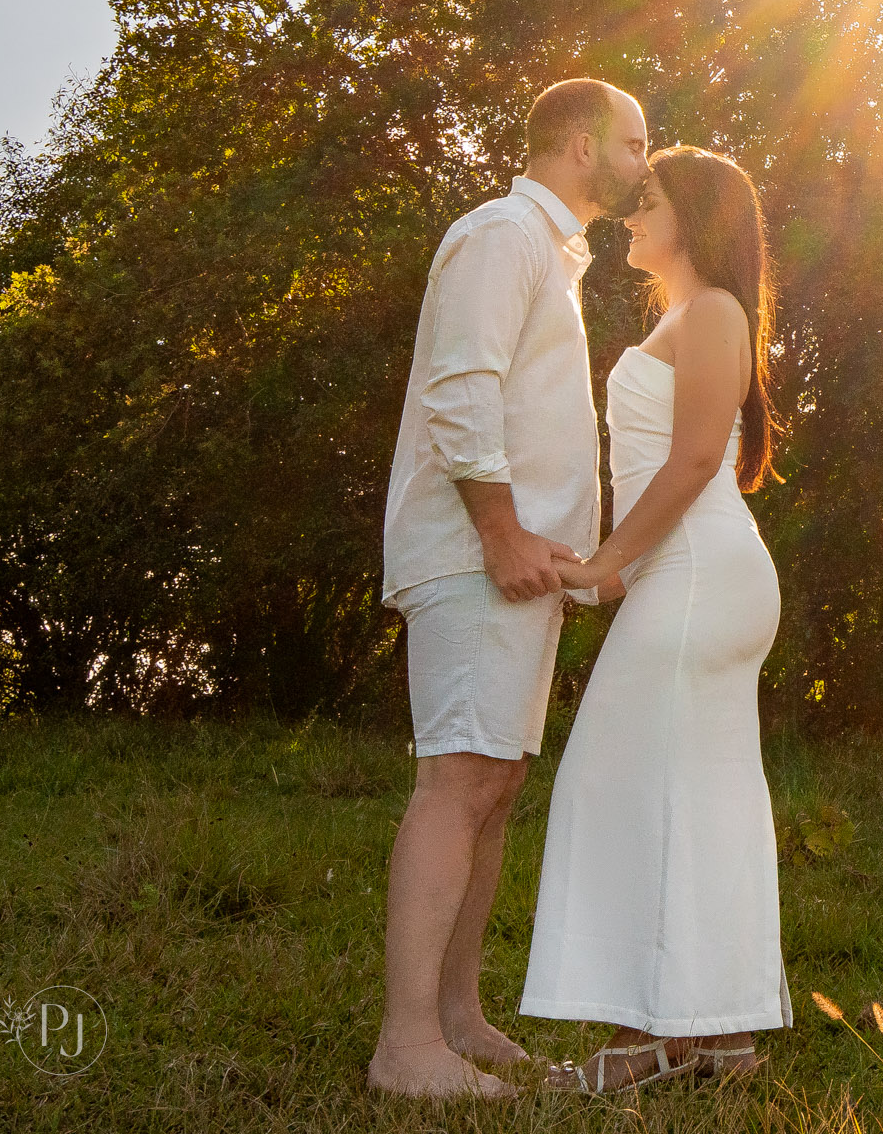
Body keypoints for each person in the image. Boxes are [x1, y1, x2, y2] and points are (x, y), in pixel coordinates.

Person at [370, 78, 649, 1100]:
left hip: (518, 564)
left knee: (492, 788)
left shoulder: (552, 254)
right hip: (476, 554)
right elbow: (460, 385)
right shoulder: (501, 233)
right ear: (579, 145)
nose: (642, 161)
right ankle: (406, 1050)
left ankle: (455, 1018)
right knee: (458, 783)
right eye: (632, 142)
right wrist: (498, 530)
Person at [524, 144, 792, 1092]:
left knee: (624, 784)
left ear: (698, 217)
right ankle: (709, 1040)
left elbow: (689, 465)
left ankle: (664, 1039)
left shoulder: (715, 312)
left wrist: (607, 566)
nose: (631, 215)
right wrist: (620, 567)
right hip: (681, 573)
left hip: (701, 572)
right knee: (681, 794)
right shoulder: (685, 315)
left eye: (649, 201)